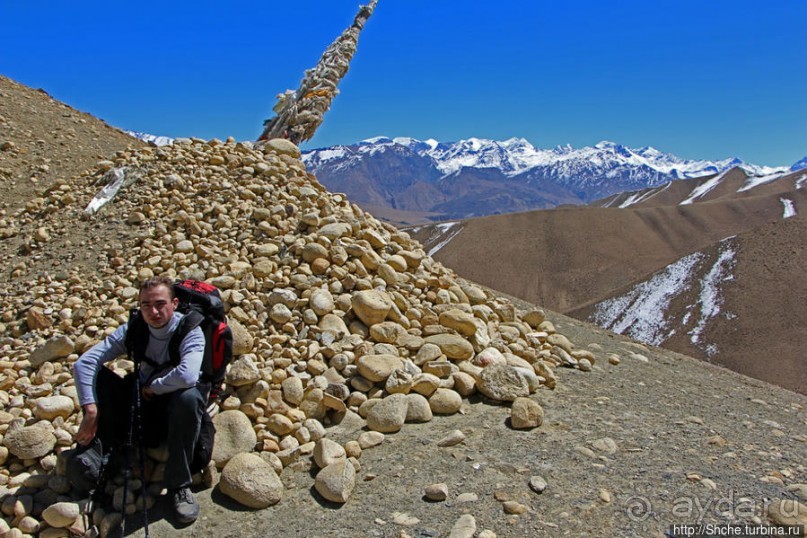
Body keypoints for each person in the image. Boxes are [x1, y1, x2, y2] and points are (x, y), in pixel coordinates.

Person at [73, 275, 207, 524]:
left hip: (174, 406)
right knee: (98, 377)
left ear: (174, 303)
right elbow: (84, 363)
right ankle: (105, 454)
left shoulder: (190, 330)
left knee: (189, 398)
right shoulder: (134, 329)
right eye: (145, 305)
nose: (153, 311)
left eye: (159, 304)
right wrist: (90, 411)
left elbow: (188, 375)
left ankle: (180, 486)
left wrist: (154, 387)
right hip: (144, 401)